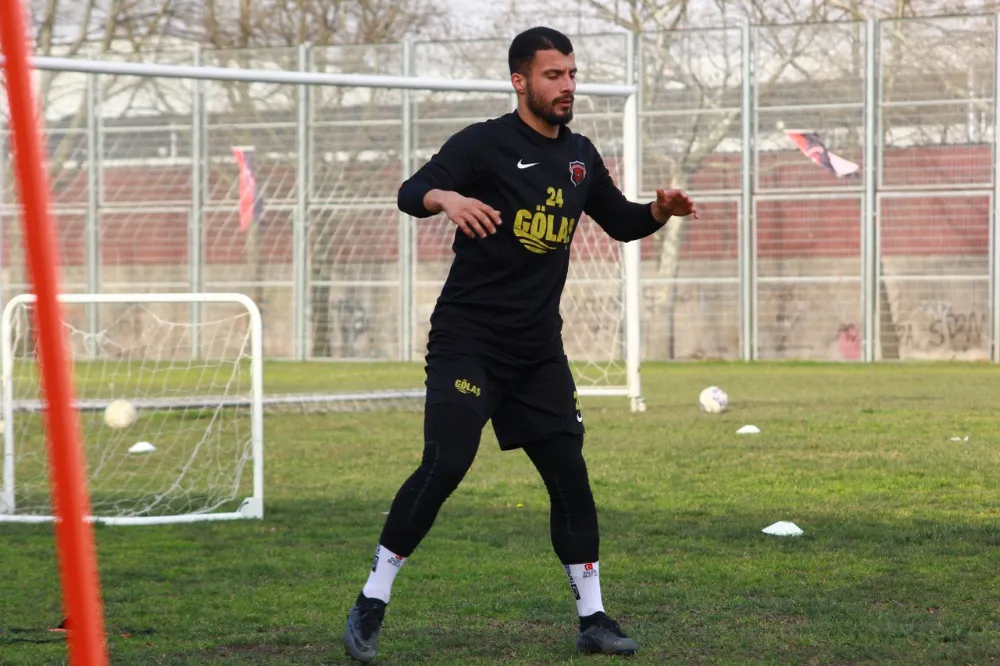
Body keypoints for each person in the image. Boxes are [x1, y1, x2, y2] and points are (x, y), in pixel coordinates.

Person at [342, 26, 697, 664]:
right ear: (520, 81)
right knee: (446, 464)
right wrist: (447, 197)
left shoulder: (580, 155)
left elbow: (619, 221)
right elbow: (409, 193)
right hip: (469, 341)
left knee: (570, 475)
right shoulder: (484, 143)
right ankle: (371, 601)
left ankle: (593, 620)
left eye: (571, 74)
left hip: (537, 351)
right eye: (553, 75)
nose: (567, 86)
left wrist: (658, 211)